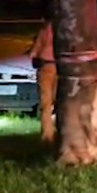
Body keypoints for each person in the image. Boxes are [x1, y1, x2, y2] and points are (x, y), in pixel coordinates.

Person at [29, 14, 56, 143]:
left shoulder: (44, 31)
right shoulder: (67, 30)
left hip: (46, 66)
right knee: (61, 103)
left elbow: (34, 53)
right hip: (63, 68)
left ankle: (47, 136)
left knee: (46, 104)